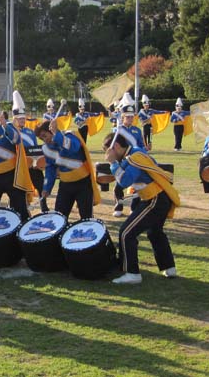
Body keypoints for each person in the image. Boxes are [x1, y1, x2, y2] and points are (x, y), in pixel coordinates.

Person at [103, 131, 180, 284]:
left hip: (155, 199)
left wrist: (112, 164)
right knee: (155, 232)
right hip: (158, 197)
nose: (106, 154)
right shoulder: (136, 154)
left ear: (116, 146)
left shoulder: (135, 157)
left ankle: (132, 273)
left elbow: (125, 181)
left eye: (107, 150)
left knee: (126, 232)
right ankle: (169, 268)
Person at [36, 118, 99, 219]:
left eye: (45, 136)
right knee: (59, 217)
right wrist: (47, 188)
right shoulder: (46, 148)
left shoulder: (70, 135)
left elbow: (74, 147)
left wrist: (57, 135)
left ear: (51, 130)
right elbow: (50, 169)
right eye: (41, 138)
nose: (45, 140)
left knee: (87, 217)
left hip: (83, 183)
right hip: (65, 185)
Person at [13, 91, 48, 212]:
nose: (22, 120)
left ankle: (44, 207)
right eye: (20, 119)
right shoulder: (11, 132)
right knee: (20, 188)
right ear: (15, 119)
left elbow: (35, 147)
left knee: (40, 185)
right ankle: (22, 208)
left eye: (23, 118)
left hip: (33, 165)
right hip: (20, 165)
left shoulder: (30, 131)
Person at [112, 92, 145, 218]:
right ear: (123, 117)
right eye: (128, 117)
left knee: (136, 185)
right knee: (119, 184)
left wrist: (143, 152)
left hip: (134, 160)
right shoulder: (117, 130)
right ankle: (118, 206)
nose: (130, 119)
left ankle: (134, 207)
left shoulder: (137, 130)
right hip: (122, 161)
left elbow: (141, 145)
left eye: (132, 117)